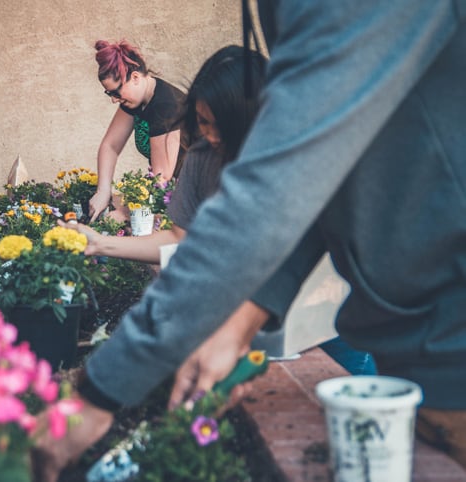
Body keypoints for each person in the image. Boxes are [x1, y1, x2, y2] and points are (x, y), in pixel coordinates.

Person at [33, 1, 466, 479]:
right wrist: (242, 320)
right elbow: (311, 188)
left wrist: (103, 389)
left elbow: (279, 186)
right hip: (417, 348)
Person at [69, 44, 376, 377]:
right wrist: (100, 243)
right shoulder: (201, 157)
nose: (210, 136)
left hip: (330, 312)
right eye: (202, 122)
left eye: (221, 126)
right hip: (260, 318)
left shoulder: (298, 157)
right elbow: (179, 239)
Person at [88, 39, 186, 222]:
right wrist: (103, 191)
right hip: (172, 194)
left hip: (198, 194)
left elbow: (161, 179)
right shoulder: (136, 100)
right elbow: (110, 146)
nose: (114, 100)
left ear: (135, 77)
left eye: (116, 92)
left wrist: (125, 213)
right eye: (109, 94)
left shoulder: (165, 106)